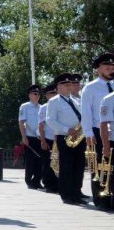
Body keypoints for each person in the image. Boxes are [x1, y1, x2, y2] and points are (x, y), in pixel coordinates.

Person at [46, 73, 87, 205]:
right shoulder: (54, 101)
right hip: (65, 137)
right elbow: (50, 120)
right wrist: (67, 129)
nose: (70, 86)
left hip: (79, 136)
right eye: (66, 84)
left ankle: (76, 193)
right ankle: (67, 195)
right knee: (67, 166)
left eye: (70, 84)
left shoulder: (75, 100)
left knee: (79, 166)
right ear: (58, 86)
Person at [82, 53, 114, 168]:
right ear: (98, 69)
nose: (111, 70)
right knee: (100, 167)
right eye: (107, 68)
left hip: (113, 132)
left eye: (112, 67)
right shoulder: (90, 88)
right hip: (97, 131)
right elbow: (86, 112)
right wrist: (88, 133)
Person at [18, 85, 44, 190]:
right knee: (30, 161)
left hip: (40, 137)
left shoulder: (42, 107)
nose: (37, 96)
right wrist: (24, 137)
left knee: (40, 160)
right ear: (30, 95)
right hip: (30, 137)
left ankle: (37, 181)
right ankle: (29, 181)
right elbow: (21, 122)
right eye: (35, 93)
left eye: (38, 94)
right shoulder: (24, 107)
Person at [37, 83, 60, 194]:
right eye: (51, 93)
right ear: (46, 95)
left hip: (60, 139)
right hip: (48, 139)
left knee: (59, 163)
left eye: (55, 93)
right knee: (48, 163)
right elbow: (41, 126)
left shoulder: (60, 105)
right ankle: (48, 185)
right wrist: (43, 140)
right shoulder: (43, 108)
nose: (53, 95)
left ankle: (58, 185)